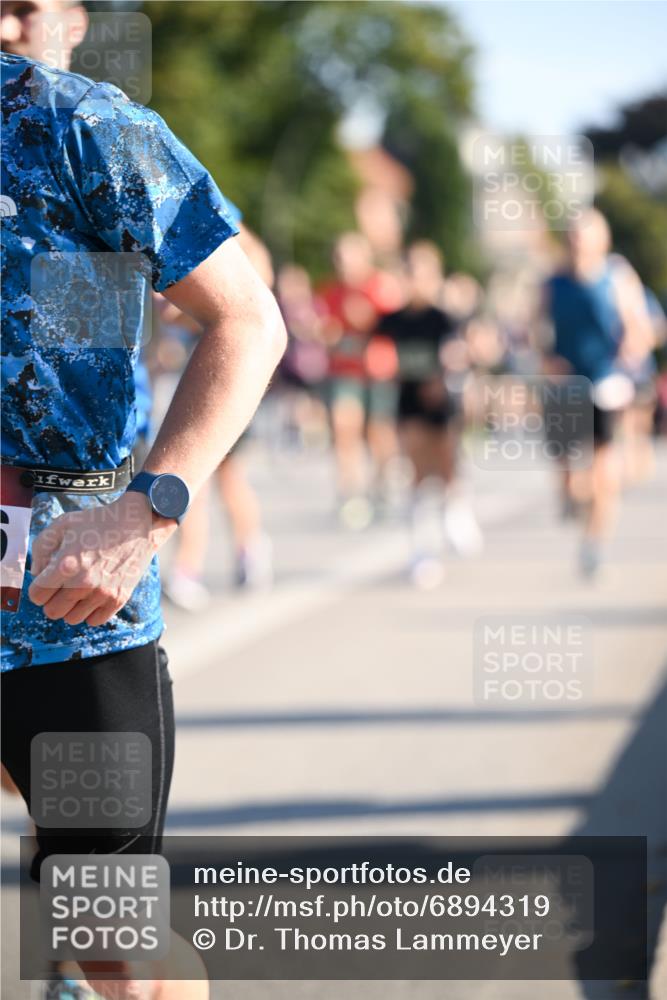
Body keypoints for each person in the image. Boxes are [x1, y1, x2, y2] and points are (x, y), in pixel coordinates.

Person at [1, 11, 286, 1000]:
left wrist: (147, 509)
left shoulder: (85, 126)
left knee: (120, 953)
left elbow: (248, 319)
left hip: (64, 607)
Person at [542, 208, 654, 577]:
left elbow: (641, 328)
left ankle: (595, 544)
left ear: (600, 240)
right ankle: (574, 499)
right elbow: (534, 328)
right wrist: (545, 358)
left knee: (604, 471)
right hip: (565, 384)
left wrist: (631, 350)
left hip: (606, 380)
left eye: (584, 235)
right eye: (572, 235)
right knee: (572, 478)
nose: (577, 242)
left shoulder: (617, 278)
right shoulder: (553, 282)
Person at [378, 241, 482, 588]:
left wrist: (443, 378)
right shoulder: (393, 320)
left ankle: (457, 513)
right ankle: (422, 552)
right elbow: (373, 348)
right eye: (410, 272)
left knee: (449, 467)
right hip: (408, 401)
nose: (415, 280)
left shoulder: (442, 318)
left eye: (422, 273)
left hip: (442, 402)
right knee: (418, 475)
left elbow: (459, 351)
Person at [318, 232, 403, 528]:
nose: (344, 264)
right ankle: (350, 493)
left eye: (349, 257)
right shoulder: (332, 292)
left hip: (379, 371)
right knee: (345, 428)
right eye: (339, 258)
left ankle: (382, 485)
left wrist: (367, 322)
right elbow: (328, 332)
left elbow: (395, 327)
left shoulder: (382, 287)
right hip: (345, 371)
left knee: (379, 433)